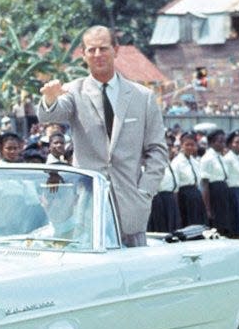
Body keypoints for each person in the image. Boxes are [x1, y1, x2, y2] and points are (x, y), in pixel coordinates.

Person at [38, 25, 167, 246]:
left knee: (134, 267)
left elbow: (157, 149)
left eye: (103, 48)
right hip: (88, 204)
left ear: (116, 50)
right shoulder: (73, 91)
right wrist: (49, 99)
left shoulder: (142, 96)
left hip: (131, 202)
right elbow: (52, 113)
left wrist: (145, 191)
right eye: (92, 50)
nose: (98, 55)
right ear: (83, 54)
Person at [171, 132, 206, 226]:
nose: (190, 147)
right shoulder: (177, 163)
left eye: (192, 145)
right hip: (184, 197)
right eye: (187, 145)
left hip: (195, 195)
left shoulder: (195, 162)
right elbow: (176, 187)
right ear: (182, 145)